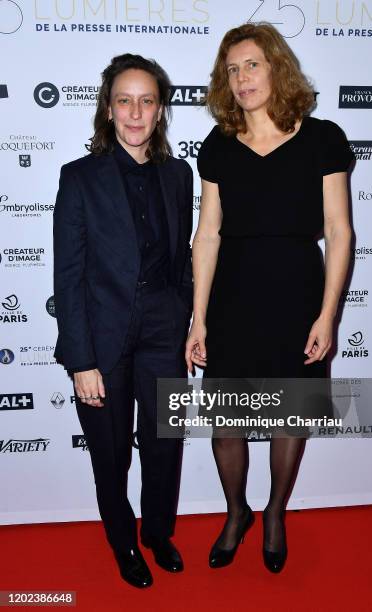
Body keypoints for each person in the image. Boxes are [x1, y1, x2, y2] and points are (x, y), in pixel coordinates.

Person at [186, 23, 354, 573]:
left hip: (297, 294)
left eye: (252, 64)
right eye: (232, 69)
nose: (241, 78)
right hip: (232, 297)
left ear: (276, 66)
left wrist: (327, 316)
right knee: (226, 422)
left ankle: (276, 512)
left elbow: (339, 230)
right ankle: (236, 513)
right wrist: (199, 318)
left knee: (289, 416)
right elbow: (207, 234)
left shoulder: (323, 137)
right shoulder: (218, 146)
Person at [53, 54, 193, 588]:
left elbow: (182, 258)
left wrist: (183, 318)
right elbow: (68, 276)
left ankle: (158, 532)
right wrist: (81, 360)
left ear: (160, 111)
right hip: (103, 335)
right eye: (124, 100)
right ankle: (123, 541)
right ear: (108, 110)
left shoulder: (178, 175)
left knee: (164, 441)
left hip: (164, 327)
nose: (136, 112)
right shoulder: (79, 178)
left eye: (147, 100)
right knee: (110, 456)